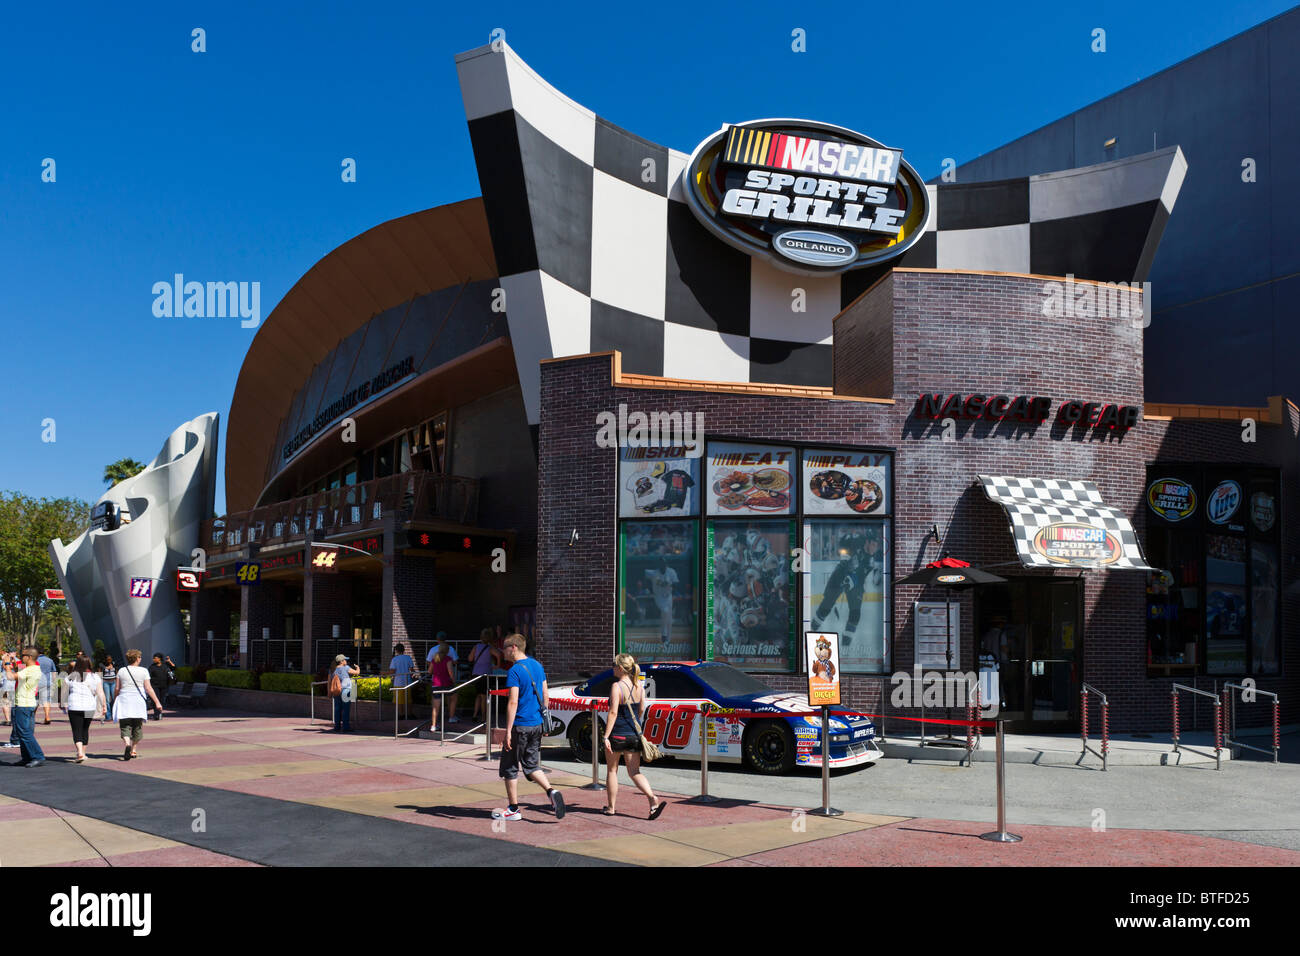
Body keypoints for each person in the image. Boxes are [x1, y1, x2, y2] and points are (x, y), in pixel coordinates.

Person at [493, 633, 565, 822]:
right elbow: (546, 695)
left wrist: (507, 731)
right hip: (536, 724)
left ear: (514, 648)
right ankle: (551, 791)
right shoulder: (537, 665)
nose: (503, 651)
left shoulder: (515, 671)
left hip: (520, 725)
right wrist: (544, 719)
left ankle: (513, 809)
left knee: (509, 767)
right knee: (531, 764)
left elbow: (513, 701)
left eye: (505, 648)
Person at [602, 654, 665, 820]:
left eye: (614, 664)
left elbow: (613, 712)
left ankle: (611, 807)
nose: (612, 667)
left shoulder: (617, 686)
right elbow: (641, 709)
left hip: (617, 734)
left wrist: (606, 736)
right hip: (634, 735)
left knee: (612, 770)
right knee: (634, 771)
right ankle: (652, 798)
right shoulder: (639, 686)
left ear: (621, 668)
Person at [114, 649, 162, 760]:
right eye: (140, 657)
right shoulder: (144, 671)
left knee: (125, 724)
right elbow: (148, 688)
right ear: (137, 658)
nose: (140, 659)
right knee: (137, 726)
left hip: (124, 699)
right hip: (138, 701)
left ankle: (127, 743)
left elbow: (117, 688)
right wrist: (157, 702)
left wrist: (115, 698)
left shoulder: (121, 670)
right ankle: (134, 750)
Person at [63, 656, 105, 763]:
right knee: (85, 729)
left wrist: (62, 704)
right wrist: (104, 705)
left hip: (74, 706)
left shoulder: (70, 677)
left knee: (76, 730)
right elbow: (100, 692)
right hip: (89, 706)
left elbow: (63, 693)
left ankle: (80, 752)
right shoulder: (95, 677)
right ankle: (83, 753)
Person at [10, 647, 46, 767]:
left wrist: (6, 665)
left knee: (24, 732)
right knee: (24, 732)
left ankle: (37, 756)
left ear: (29, 657)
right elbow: (18, 671)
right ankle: (27, 757)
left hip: (23, 704)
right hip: (27, 703)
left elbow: (11, 676)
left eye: (23, 655)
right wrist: (14, 665)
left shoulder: (30, 670)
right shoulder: (32, 669)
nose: (21, 657)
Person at [425, 632, 459, 721]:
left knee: (436, 704)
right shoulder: (449, 657)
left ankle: (433, 724)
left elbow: (429, 669)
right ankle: (451, 716)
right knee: (452, 696)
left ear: (437, 640)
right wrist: (454, 680)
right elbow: (453, 667)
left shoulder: (433, 655)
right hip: (446, 682)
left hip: (435, 682)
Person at [468, 627, 500, 721]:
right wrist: (497, 665)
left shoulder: (476, 647)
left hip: (476, 673)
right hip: (485, 674)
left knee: (478, 695)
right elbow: (498, 654)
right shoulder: (490, 648)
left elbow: (470, 659)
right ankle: (483, 717)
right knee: (484, 696)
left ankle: (474, 715)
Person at [330, 654, 359, 733]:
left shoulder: (333, 669)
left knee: (337, 709)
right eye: (345, 660)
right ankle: (345, 727)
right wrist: (357, 667)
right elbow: (357, 673)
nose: (346, 661)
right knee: (346, 709)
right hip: (346, 690)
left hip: (337, 691)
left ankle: (337, 727)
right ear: (342, 661)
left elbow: (330, 680)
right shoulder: (346, 668)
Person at [387, 643, 415, 716]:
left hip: (398, 682)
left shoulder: (394, 659)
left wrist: (384, 673)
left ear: (396, 650)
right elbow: (412, 670)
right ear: (404, 650)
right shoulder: (408, 657)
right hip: (408, 681)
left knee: (399, 701)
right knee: (408, 700)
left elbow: (392, 671)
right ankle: (410, 714)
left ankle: (401, 714)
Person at [148, 653, 171, 720]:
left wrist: (169, 662)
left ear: (159, 659)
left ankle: (159, 713)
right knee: (156, 700)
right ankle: (156, 714)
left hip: (164, 686)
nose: (153, 659)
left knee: (162, 700)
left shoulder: (165, 666)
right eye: (153, 658)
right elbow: (148, 676)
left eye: (155, 658)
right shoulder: (152, 667)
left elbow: (174, 668)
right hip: (155, 686)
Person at [36, 649, 56, 724]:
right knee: (46, 700)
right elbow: (53, 672)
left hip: (36, 683)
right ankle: (47, 716)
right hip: (47, 683)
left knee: (35, 700)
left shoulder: (34, 660)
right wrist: (53, 681)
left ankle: (32, 716)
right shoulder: (50, 660)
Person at [101, 655, 116, 721]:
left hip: (113, 682)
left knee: (114, 698)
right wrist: (106, 668)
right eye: (108, 659)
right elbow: (100, 672)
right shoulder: (102, 665)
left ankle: (114, 715)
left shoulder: (114, 664)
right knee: (107, 700)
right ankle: (108, 716)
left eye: (110, 659)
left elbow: (117, 672)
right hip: (106, 682)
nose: (109, 661)